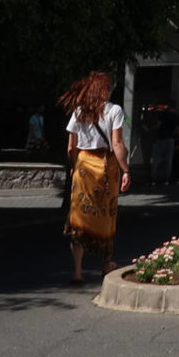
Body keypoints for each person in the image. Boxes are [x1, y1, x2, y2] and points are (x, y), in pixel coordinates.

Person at [61, 71, 129, 283]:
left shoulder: (78, 112)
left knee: (79, 219)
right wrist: (125, 169)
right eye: (108, 88)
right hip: (106, 167)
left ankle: (77, 271)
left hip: (83, 166)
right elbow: (117, 144)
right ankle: (106, 264)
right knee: (107, 215)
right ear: (104, 90)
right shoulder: (114, 110)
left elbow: (71, 147)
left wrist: (75, 166)